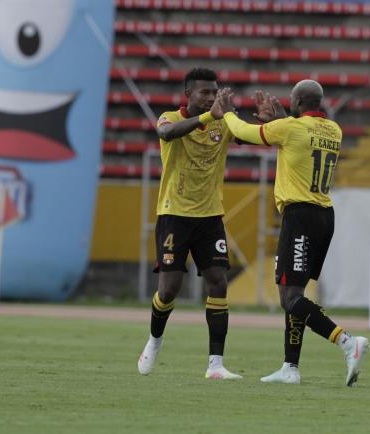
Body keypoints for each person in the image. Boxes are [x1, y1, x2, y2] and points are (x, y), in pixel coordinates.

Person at [212, 81, 370, 386]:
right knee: (294, 293)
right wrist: (282, 120)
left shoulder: (290, 129)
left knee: (290, 298)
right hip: (324, 216)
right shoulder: (334, 130)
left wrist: (228, 112)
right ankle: (290, 367)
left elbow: (245, 132)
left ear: (297, 102)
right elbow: (300, 137)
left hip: (300, 217)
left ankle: (347, 342)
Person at [137, 68, 242, 380]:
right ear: (188, 95)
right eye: (204, 92)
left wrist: (272, 120)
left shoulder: (222, 121)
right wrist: (210, 116)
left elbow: (248, 135)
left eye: (214, 92)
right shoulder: (169, 118)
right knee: (169, 290)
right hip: (174, 215)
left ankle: (215, 364)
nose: (211, 97)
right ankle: (154, 340)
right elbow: (167, 134)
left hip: (210, 216)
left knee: (218, 282)